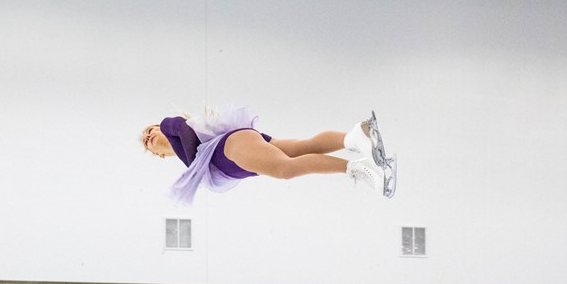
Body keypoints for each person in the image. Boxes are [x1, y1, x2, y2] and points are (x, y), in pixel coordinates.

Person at [141, 107, 396, 205]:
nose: (147, 137)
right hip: (239, 152)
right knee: (299, 148)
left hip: (230, 150)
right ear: (159, 155)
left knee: (286, 169)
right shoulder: (183, 156)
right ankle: (357, 136)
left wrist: (192, 166)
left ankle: (365, 170)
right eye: (146, 143)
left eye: (148, 131)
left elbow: (183, 128)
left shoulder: (168, 125)